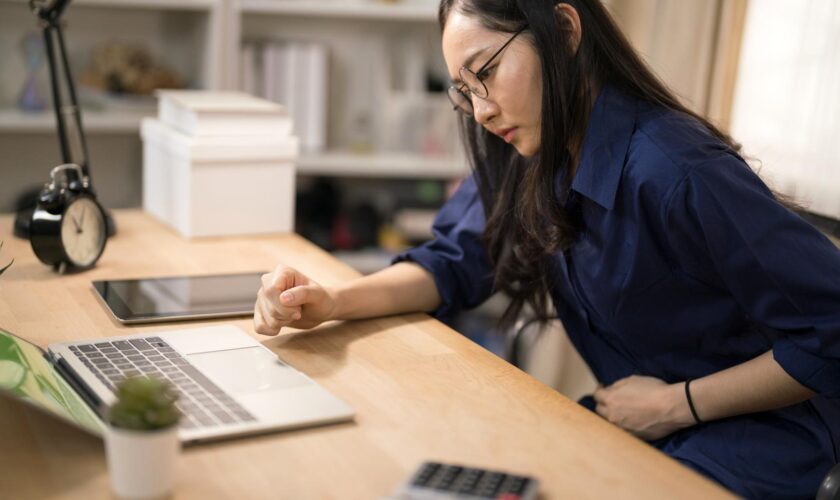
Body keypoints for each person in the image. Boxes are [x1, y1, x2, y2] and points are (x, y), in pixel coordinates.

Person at [253, 1, 840, 497]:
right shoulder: (536, 151)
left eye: (486, 72)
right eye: (464, 92)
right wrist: (331, 300)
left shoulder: (675, 170)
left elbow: (831, 329)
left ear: (563, 32)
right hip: (644, 419)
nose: (481, 110)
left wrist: (676, 405)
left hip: (760, 439)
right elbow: (453, 262)